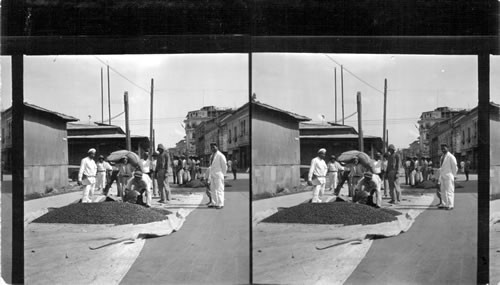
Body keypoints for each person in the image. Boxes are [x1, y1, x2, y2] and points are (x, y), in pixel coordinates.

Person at [207, 142, 227, 209]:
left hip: (218, 175)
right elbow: (211, 166)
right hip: (212, 175)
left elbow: (224, 165)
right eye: (211, 147)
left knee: (219, 189)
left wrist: (223, 174)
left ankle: (220, 203)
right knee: (213, 189)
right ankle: (214, 203)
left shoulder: (220, 155)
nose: (212, 148)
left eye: (214, 147)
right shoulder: (211, 156)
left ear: (217, 147)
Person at [438, 144, 458, 210]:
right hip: (442, 176)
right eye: (442, 148)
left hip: (449, 176)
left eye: (444, 148)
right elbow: (441, 167)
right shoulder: (442, 157)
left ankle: (450, 205)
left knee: (449, 191)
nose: (443, 149)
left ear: (447, 148)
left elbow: (454, 166)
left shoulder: (451, 157)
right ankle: (444, 204)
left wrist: (454, 175)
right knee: (443, 190)